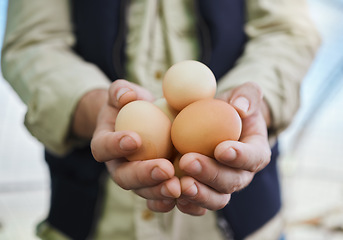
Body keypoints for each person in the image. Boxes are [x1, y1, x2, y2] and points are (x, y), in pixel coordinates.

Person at [1, 0, 320, 239]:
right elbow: (33, 42)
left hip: (246, 225)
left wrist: (248, 107)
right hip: (92, 222)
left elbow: (287, 32)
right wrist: (96, 105)